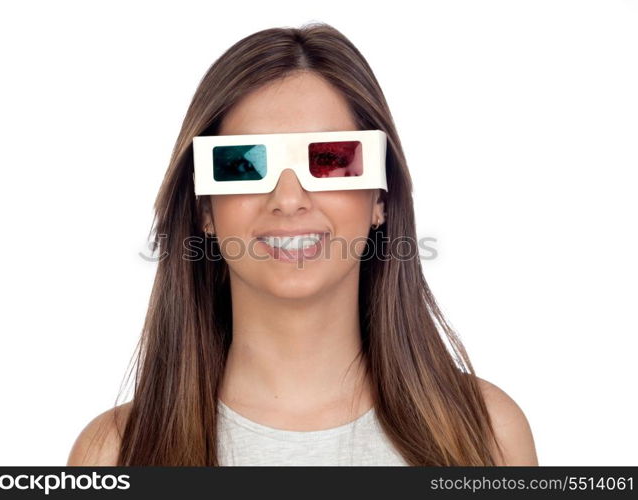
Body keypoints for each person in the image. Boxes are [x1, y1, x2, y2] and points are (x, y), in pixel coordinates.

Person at [67, 22, 538, 466]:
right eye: (243, 166)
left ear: (381, 198)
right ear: (204, 210)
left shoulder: (489, 434)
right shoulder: (113, 453)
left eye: (331, 159)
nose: (289, 199)